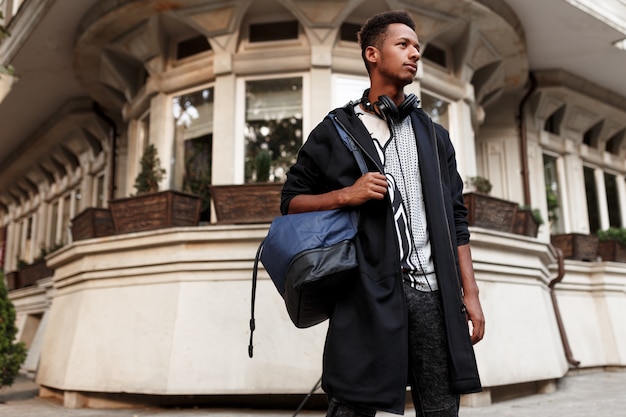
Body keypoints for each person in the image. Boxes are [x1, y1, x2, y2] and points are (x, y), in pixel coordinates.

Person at [280, 10, 485, 417]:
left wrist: (471, 293)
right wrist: (345, 194)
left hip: (433, 295)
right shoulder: (335, 130)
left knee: (442, 409)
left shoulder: (434, 135)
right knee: (352, 407)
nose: (415, 54)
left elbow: (457, 219)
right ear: (372, 54)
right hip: (366, 294)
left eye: (418, 48)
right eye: (403, 45)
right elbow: (291, 202)